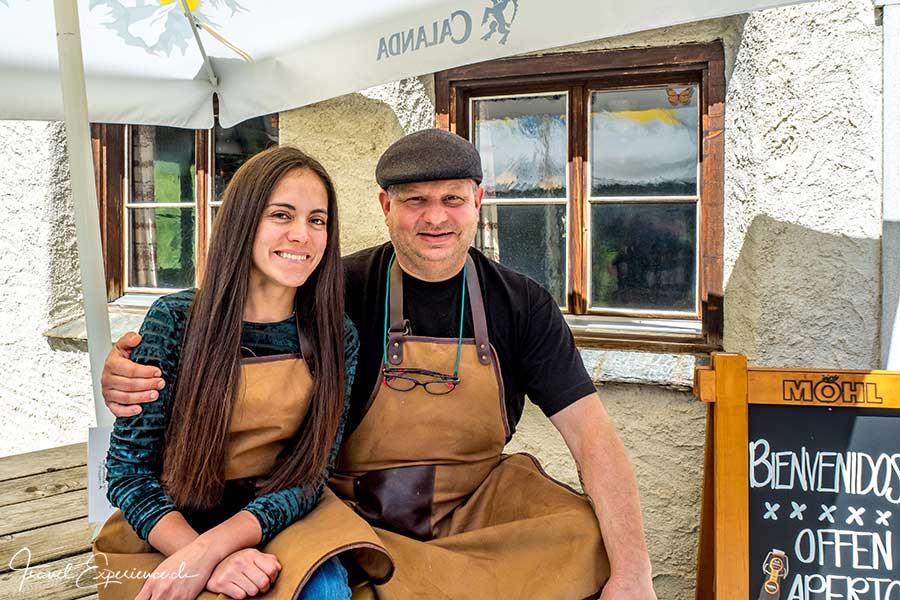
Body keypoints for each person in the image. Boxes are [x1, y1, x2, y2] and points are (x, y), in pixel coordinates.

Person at [101, 130, 657, 599]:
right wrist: (126, 372)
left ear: (479, 201)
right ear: (386, 207)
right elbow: (225, 324)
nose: (435, 217)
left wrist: (635, 576)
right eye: (415, 200)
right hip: (356, 508)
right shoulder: (329, 291)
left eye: (453, 199)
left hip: (473, 507)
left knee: (587, 534)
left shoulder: (522, 304)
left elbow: (593, 439)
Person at [93, 146, 391, 600]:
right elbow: (128, 472)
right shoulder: (176, 321)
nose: (302, 235)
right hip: (169, 525)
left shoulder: (336, 336)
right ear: (243, 220)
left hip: (278, 519)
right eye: (281, 215)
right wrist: (200, 559)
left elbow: (309, 475)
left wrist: (214, 549)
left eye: (317, 220)